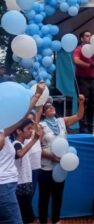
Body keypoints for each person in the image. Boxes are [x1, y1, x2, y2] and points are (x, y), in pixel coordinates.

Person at [0, 81, 45, 224]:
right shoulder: (5, 137)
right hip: (4, 187)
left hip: (8, 185)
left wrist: (37, 95)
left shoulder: (3, 131)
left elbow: (21, 118)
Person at [38, 93, 85, 224]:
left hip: (60, 167)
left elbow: (79, 116)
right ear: (43, 113)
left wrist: (81, 103)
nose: (50, 108)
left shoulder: (62, 121)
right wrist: (51, 156)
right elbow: (37, 148)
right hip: (46, 168)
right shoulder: (41, 126)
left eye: (51, 106)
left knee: (58, 196)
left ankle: (56, 220)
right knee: (44, 198)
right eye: (47, 107)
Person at [13, 119, 42, 224]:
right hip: (21, 186)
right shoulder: (17, 144)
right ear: (18, 131)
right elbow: (19, 154)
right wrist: (34, 139)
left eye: (31, 128)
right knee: (30, 219)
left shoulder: (21, 144)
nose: (31, 131)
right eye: (28, 128)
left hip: (24, 185)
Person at [73, 30, 94, 133]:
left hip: (92, 79)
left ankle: (90, 124)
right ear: (82, 38)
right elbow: (76, 60)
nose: (90, 38)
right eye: (87, 36)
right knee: (84, 102)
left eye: (91, 36)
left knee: (93, 103)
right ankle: (83, 127)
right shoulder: (79, 49)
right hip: (82, 79)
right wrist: (90, 65)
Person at [25, 111, 42, 195]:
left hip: (36, 166)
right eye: (28, 119)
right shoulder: (22, 132)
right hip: (26, 168)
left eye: (32, 119)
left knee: (32, 192)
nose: (30, 121)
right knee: (27, 195)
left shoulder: (37, 130)